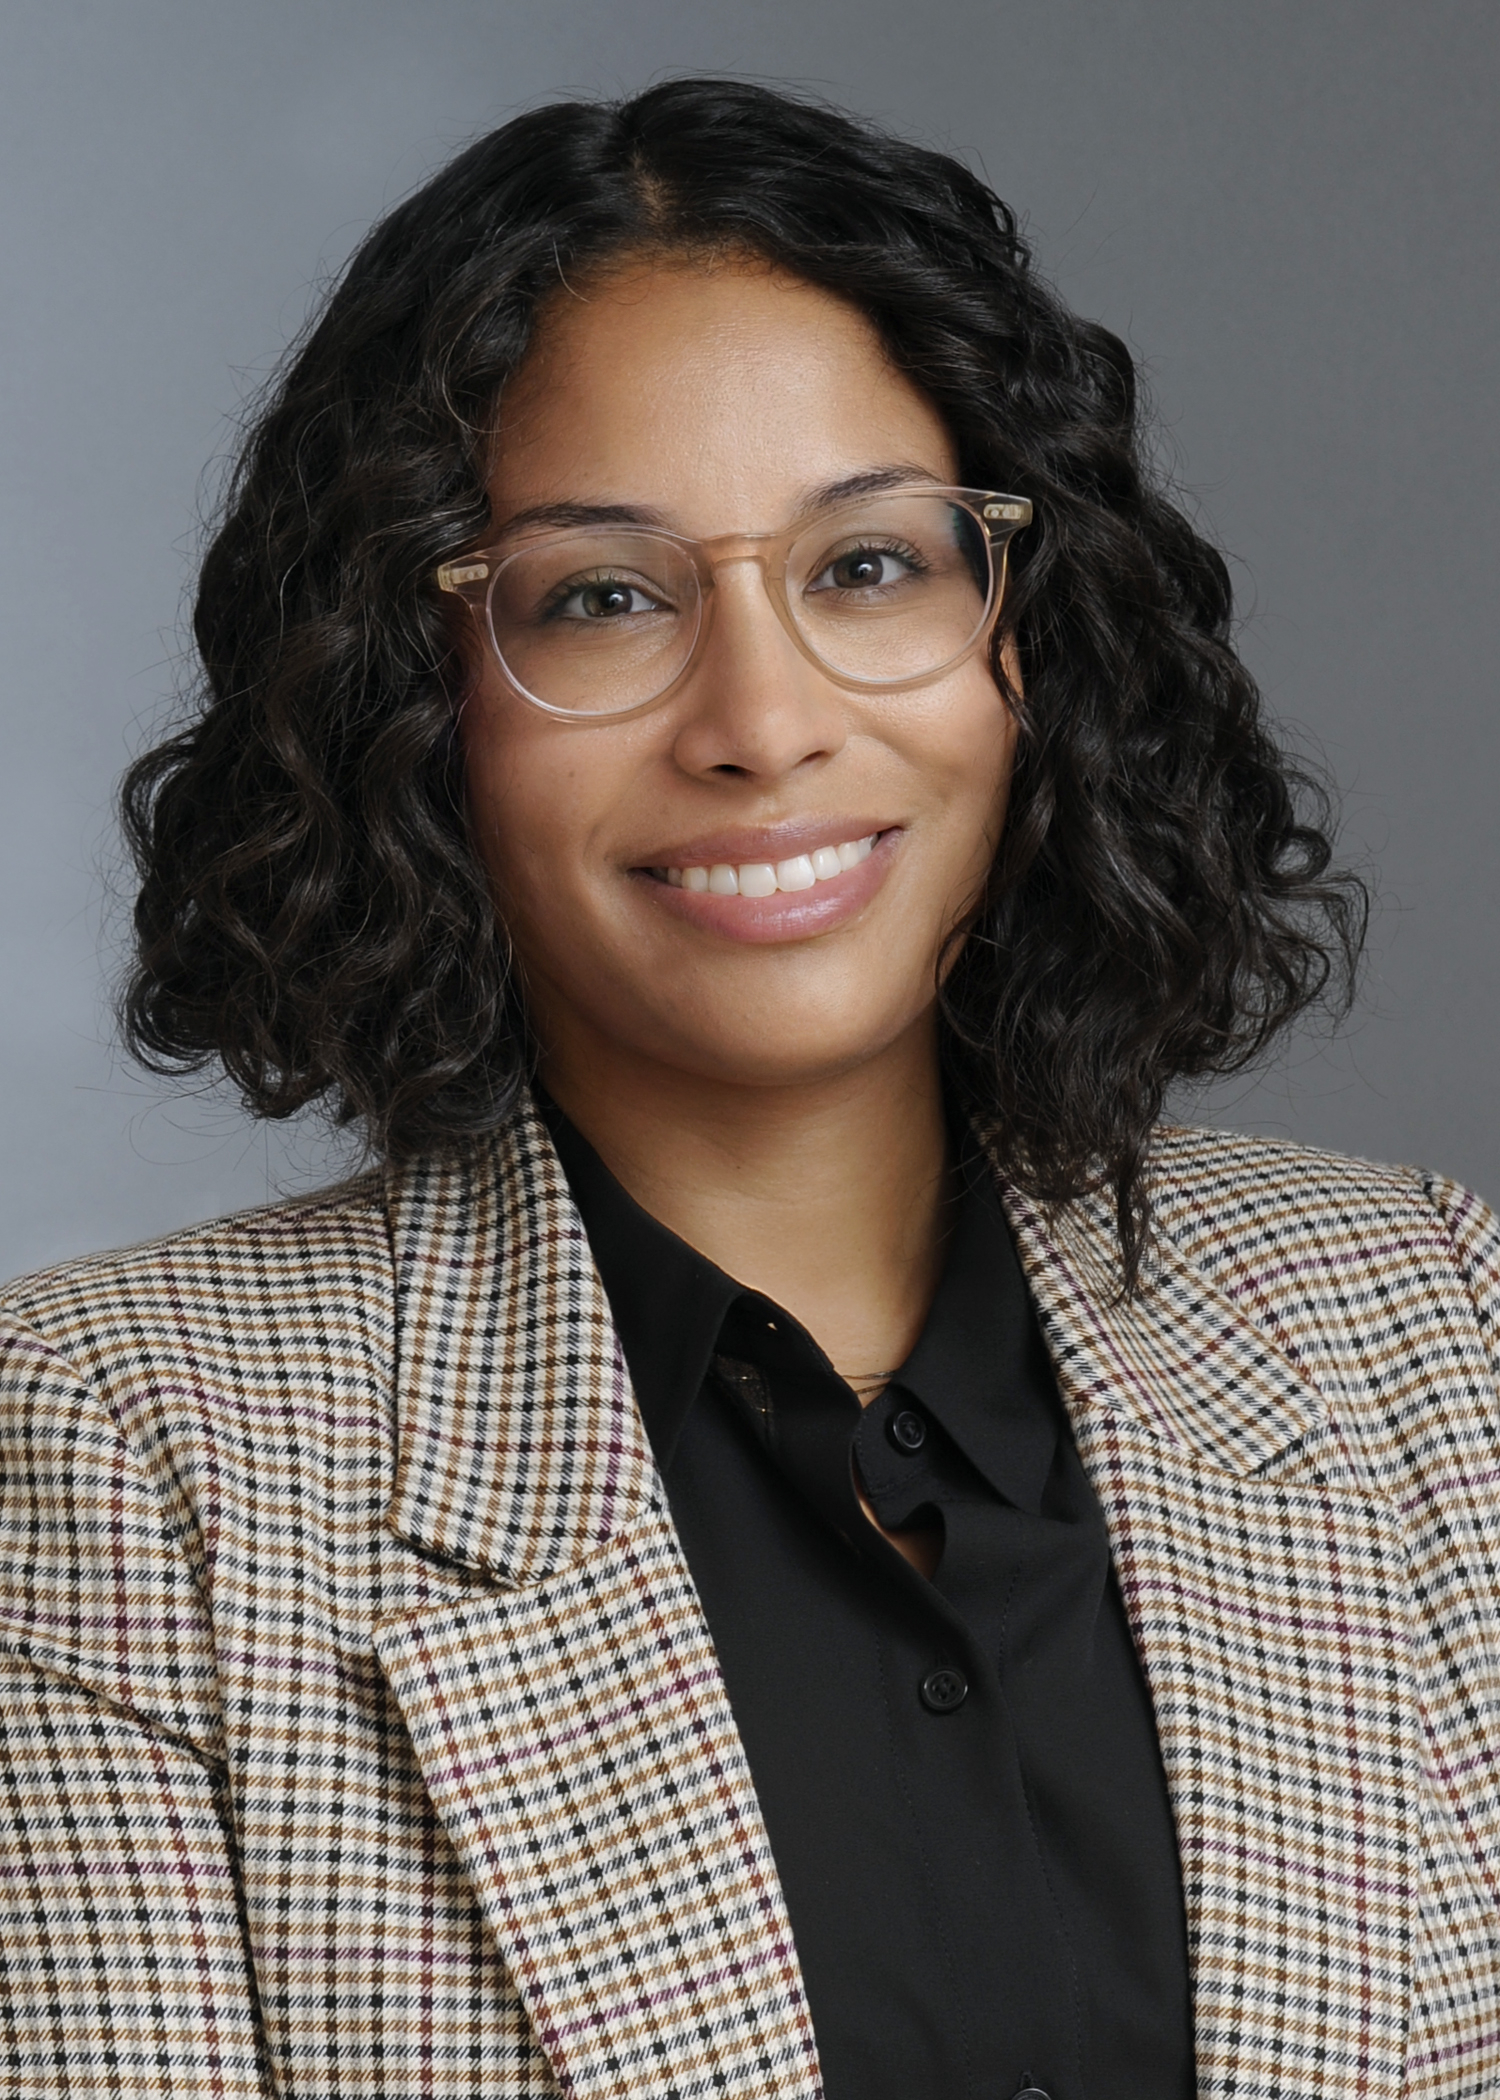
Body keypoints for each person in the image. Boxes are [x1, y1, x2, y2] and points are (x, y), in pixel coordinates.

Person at [1, 77, 1496, 2100]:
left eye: (868, 564)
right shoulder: (122, 1466)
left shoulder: (1436, 1337)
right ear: (410, 704)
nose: (762, 722)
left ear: (1030, 645)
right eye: (602, 597)